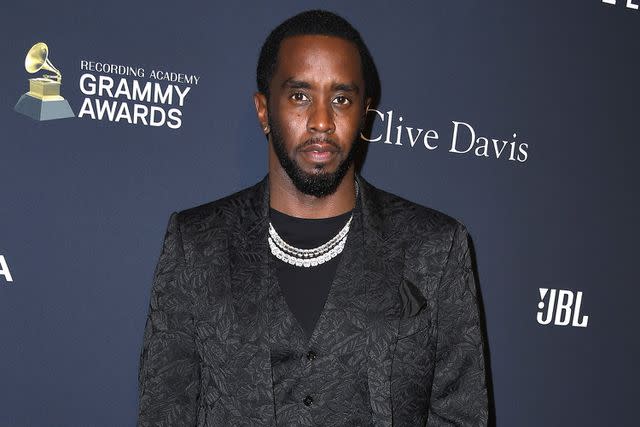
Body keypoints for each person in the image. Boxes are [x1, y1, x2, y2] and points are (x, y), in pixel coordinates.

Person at [137, 9, 488, 426]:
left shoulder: (436, 248)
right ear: (264, 110)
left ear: (364, 113)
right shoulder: (197, 242)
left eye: (341, 99)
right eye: (300, 96)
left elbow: (461, 415)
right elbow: (164, 412)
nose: (321, 121)